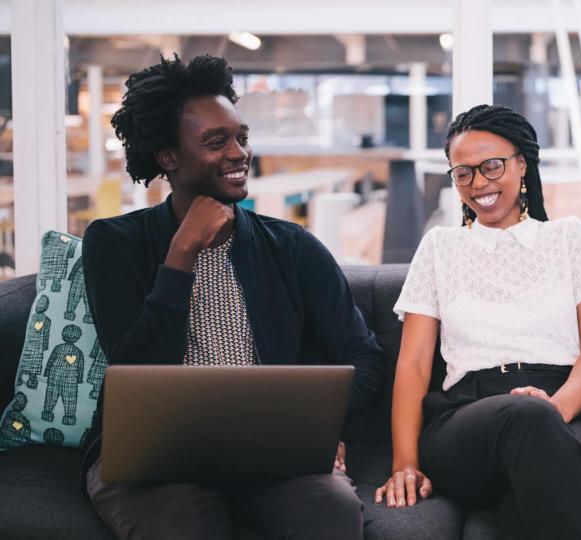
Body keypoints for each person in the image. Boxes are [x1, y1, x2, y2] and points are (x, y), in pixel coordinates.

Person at [81, 54, 385, 540]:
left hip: (275, 451)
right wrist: (181, 253)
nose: (239, 152)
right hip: (155, 457)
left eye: (242, 137)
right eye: (216, 142)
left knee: (331, 510)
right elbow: (135, 367)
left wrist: (315, 427)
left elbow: (363, 354)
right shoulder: (113, 243)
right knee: (186, 523)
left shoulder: (293, 247)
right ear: (168, 157)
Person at [373, 104, 581, 539]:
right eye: (463, 173)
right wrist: (405, 463)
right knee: (533, 432)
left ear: (522, 164)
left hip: (573, 411)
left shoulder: (569, 237)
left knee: (541, 501)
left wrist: (555, 409)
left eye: (492, 166)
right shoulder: (439, 247)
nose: (479, 184)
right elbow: (413, 366)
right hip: (469, 422)